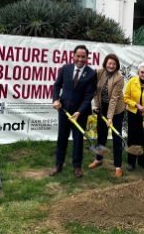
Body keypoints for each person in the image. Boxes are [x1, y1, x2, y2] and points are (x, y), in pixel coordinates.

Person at [50, 45, 97, 178]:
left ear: (87, 58)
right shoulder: (66, 68)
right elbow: (57, 85)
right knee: (62, 137)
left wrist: (79, 112)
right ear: (73, 56)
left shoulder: (91, 73)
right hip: (64, 110)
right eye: (78, 56)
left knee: (78, 139)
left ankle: (77, 166)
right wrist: (56, 99)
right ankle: (58, 164)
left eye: (83, 57)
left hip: (80, 113)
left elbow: (88, 96)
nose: (80, 59)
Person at [88, 54, 126, 177]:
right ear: (105, 63)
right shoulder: (99, 72)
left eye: (114, 64)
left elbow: (114, 99)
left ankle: (118, 166)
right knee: (101, 136)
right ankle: (99, 159)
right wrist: (96, 106)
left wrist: (110, 118)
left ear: (117, 66)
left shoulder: (119, 78)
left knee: (116, 138)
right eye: (109, 63)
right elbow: (94, 90)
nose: (111, 66)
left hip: (117, 111)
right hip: (103, 108)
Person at [123, 61, 144, 171]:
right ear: (138, 72)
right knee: (132, 138)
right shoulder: (132, 82)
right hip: (133, 114)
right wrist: (136, 105)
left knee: (143, 139)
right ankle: (131, 162)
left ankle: (141, 161)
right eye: (142, 72)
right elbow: (126, 97)